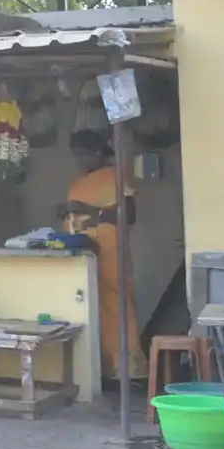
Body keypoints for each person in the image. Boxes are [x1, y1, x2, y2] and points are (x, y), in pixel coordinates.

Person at [62, 128, 138, 380]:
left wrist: (90, 212)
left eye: (84, 155)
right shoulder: (79, 182)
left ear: (97, 152)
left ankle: (127, 369)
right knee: (89, 310)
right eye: (75, 156)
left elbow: (130, 215)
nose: (80, 161)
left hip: (110, 251)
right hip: (83, 250)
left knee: (116, 308)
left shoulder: (113, 177)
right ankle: (100, 370)